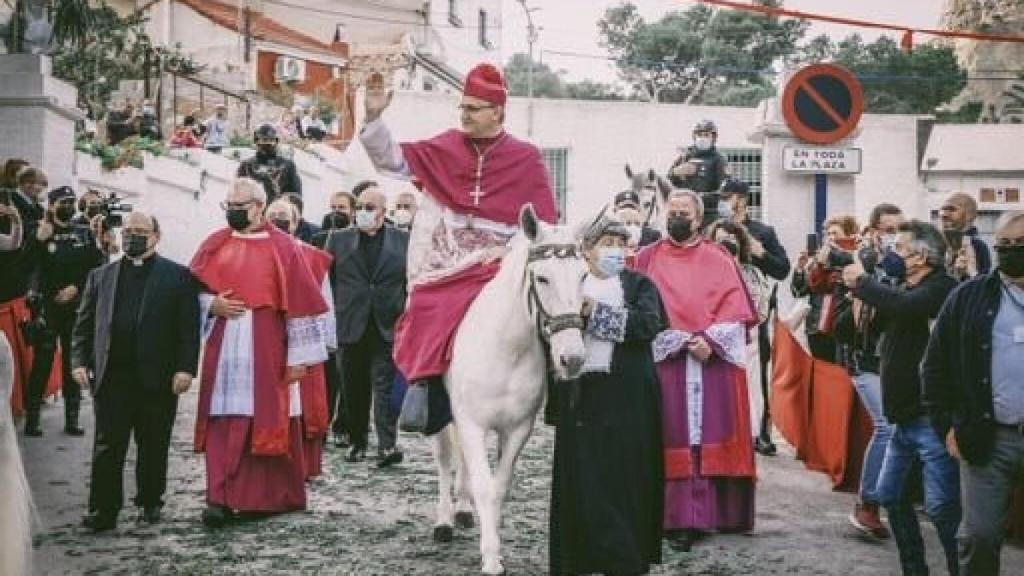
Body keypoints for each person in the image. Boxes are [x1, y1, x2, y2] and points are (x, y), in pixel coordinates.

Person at [359, 63, 556, 435]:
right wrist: (372, 117)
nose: (463, 115)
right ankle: (426, 383)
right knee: (425, 304)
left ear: (497, 111)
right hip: (447, 256)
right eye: (461, 107)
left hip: (501, 257)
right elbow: (392, 161)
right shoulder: (446, 145)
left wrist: (511, 251)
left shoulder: (526, 157)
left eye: (472, 108)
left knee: (546, 308)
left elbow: (543, 220)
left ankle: (555, 384)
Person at [189, 178, 328, 527]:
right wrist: (211, 304)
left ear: (258, 206)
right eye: (228, 206)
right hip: (225, 345)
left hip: (268, 344)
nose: (232, 212)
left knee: (266, 420)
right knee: (223, 418)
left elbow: (299, 303)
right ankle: (218, 497)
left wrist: (299, 360)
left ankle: (264, 498)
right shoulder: (215, 243)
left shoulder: (284, 247)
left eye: (239, 206)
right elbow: (189, 292)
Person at [636, 190, 758, 552]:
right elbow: (635, 301)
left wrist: (712, 343)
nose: (676, 216)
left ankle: (715, 514)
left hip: (710, 361)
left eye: (683, 211)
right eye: (671, 211)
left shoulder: (718, 258)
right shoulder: (646, 258)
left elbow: (736, 308)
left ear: (698, 218)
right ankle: (673, 517)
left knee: (707, 433)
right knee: (669, 433)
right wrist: (672, 339)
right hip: (665, 358)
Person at [842, 219, 960, 576]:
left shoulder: (942, 289)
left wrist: (864, 283)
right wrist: (861, 297)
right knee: (890, 495)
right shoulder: (902, 288)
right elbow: (857, 329)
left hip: (928, 418)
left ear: (921, 257)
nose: (892, 255)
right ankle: (914, 569)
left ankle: (962, 569)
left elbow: (907, 307)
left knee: (941, 508)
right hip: (903, 418)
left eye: (899, 249)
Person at [549, 213, 665, 576]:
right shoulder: (570, 287)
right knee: (582, 479)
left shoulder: (639, 285)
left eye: (620, 244)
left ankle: (624, 558)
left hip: (629, 398)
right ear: (586, 250)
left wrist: (595, 313)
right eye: (606, 244)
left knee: (626, 479)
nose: (615, 251)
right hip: (582, 397)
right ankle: (579, 559)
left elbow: (648, 324)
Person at [71, 212, 200, 531]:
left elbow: (188, 329)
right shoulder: (101, 276)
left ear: (156, 236)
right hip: (112, 376)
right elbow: (83, 326)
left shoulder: (178, 277)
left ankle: (150, 501)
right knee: (107, 445)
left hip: (157, 377)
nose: (132, 236)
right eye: (127, 231)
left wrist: (185, 368)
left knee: (153, 443)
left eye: (140, 231)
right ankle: (103, 509)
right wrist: (78, 361)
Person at [922, 210, 1024, 575]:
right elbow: (934, 368)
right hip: (987, 436)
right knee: (980, 536)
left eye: (1020, 246)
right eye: (1004, 246)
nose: (1011, 253)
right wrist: (947, 424)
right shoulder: (969, 297)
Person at [322, 186, 408, 466]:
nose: (364, 212)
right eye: (360, 206)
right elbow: (328, 281)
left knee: (383, 387)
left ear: (384, 212)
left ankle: (387, 445)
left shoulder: (403, 240)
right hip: (351, 323)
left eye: (370, 207)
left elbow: (410, 281)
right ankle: (357, 441)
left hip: (387, 323)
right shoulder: (338, 239)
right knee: (353, 387)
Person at [835, 203, 903, 540]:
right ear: (874, 230)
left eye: (898, 229)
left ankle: (894, 498)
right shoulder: (859, 262)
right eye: (888, 229)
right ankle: (868, 502)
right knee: (886, 426)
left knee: (901, 428)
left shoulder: (904, 262)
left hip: (897, 358)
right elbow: (844, 320)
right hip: (864, 357)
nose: (893, 236)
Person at [24, 185, 105, 437]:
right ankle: (33, 418)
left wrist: (76, 289)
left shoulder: (83, 234)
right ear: (51, 205)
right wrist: (37, 241)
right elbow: (26, 267)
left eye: (71, 202)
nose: (68, 207)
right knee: (43, 362)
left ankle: (72, 418)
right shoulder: (41, 232)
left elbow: (96, 268)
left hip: (76, 307)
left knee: (74, 362)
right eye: (62, 202)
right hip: (47, 307)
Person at [719, 178, 790, 456]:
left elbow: (782, 270)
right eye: (721, 196)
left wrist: (759, 251)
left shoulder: (762, 231)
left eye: (729, 196)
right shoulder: (713, 228)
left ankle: (761, 431)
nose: (725, 201)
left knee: (758, 372)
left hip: (754, 313)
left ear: (742, 199)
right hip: (721, 311)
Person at [266, 199, 335, 479]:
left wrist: (326, 342)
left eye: (284, 217)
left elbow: (324, 301)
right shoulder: (256, 251)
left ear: (295, 224)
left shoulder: (312, 257)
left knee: (305, 406)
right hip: (268, 340)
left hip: (302, 341)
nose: (278, 222)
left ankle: (303, 466)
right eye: (273, 216)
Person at [706, 219, 772, 454]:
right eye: (720, 239)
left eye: (731, 239)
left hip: (747, 345)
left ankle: (747, 443)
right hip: (712, 345)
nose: (726, 244)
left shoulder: (752, 273)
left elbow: (761, 311)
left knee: (748, 395)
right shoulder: (703, 273)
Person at [0, 165, 45, 416]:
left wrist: (16, 220)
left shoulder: (28, 209)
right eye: (34, 183)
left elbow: (12, 244)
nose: (37, 189)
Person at [790, 215, 860, 363]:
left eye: (835, 233)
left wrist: (830, 256)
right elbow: (800, 290)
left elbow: (850, 268)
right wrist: (800, 268)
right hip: (816, 326)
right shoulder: (820, 258)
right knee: (821, 371)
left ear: (848, 236)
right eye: (828, 234)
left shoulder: (854, 256)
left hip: (841, 324)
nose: (830, 238)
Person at [667, 119, 728, 228]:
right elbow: (669, 178)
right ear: (694, 136)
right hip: (684, 211)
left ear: (713, 138)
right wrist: (676, 172)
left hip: (708, 212)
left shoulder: (718, 159)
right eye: (699, 134)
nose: (702, 138)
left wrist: (702, 196)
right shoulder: (686, 156)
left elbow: (724, 187)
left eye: (706, 135)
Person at [237, 124, 302, 204]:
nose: (267, 143)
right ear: (256, 141)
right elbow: (237, 194)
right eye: (263, 140)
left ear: (276, 141)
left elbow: (296, 197)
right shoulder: (246, 166)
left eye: (270, 140)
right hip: (252, 212)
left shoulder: (288, 165)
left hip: (277, 212)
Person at [940, 192, 992, 282]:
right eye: (943, 210)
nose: (944, 215)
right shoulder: (938, 244)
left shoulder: (978, 247)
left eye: (952, 209)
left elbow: (981, 284)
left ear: (969, 215)